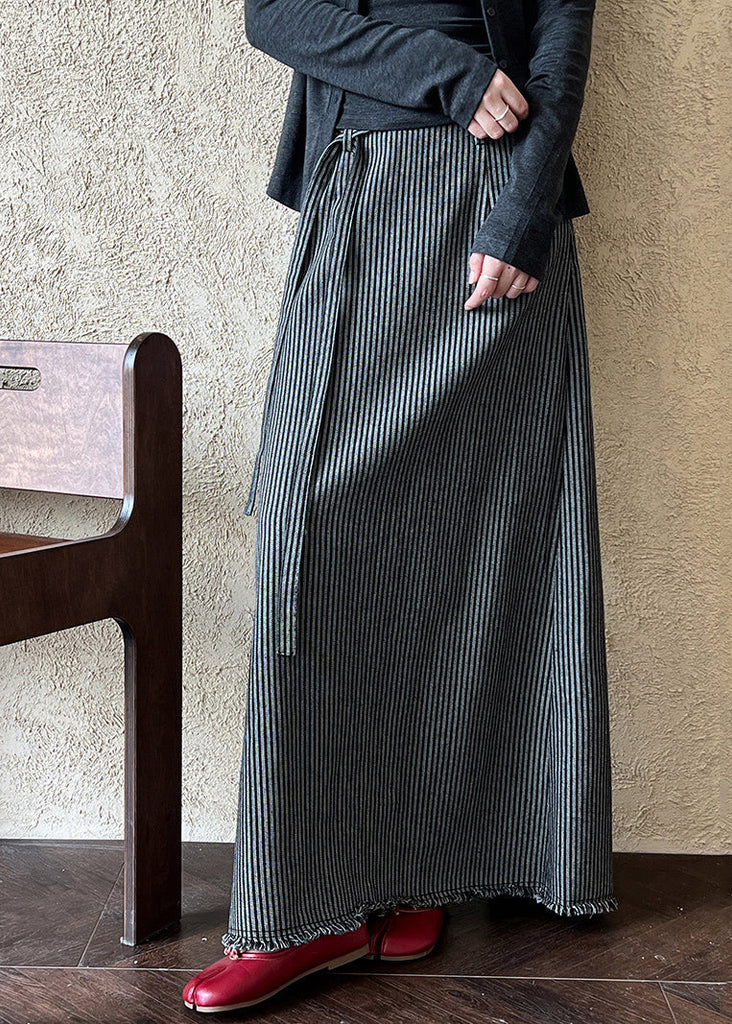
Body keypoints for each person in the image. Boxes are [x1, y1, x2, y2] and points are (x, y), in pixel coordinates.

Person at [183, 0, 618, 1013]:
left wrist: (524, 214)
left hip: (500, 225)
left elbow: (561, 44)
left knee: (475, 553)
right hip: (368, 190)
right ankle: (304, 908)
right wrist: (450, 75)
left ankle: (414, 871)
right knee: (309, 527)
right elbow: (274, 14)